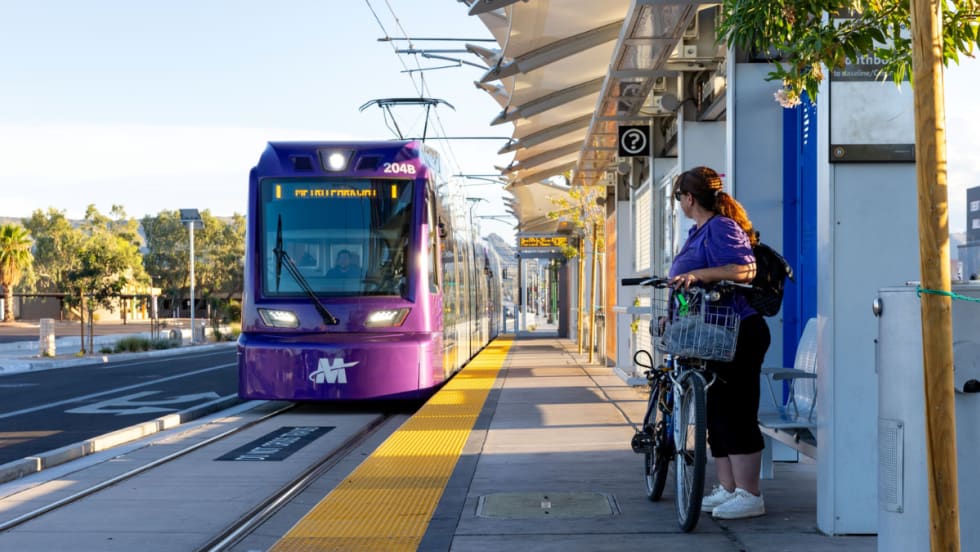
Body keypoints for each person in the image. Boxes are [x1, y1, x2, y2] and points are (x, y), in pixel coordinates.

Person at [667, 166, 771, 520]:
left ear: (689, 198)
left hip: (739, 331)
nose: (679, 203)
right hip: (714, 336)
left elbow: (746, 270)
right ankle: (729, 488)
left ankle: (750, 494)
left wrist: (699, 274)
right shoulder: (699, 231)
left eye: (679, 197)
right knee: (716, 414)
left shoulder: (722, 227)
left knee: (736, 412)